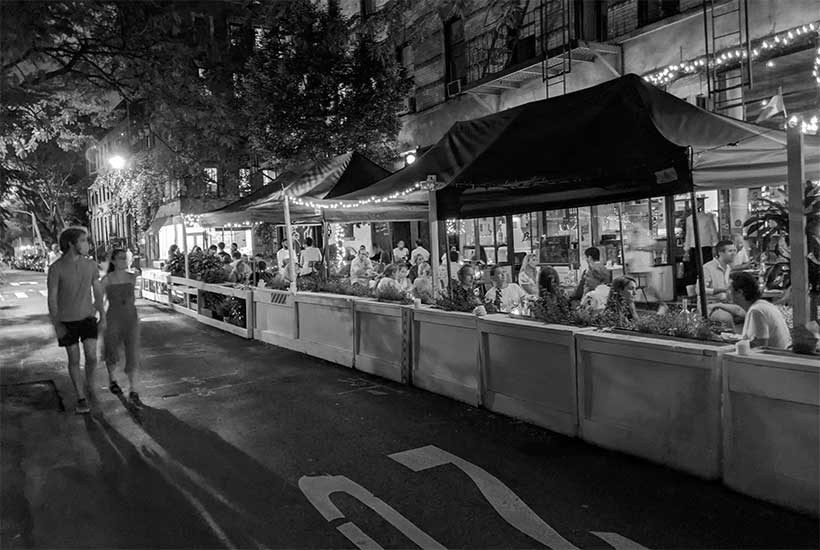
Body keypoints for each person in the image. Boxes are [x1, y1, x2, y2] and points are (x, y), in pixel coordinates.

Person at [47, 227, 105, 414]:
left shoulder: (90, 265)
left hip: (87, 317)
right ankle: (80, 397)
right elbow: (52, 298)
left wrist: (102, 314)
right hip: (66, 321)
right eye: (83, 240)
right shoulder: (56, 268)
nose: (87, 244)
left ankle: (90, 385)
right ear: (71, 244)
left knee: (91, 356)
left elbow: (97, 289)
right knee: (74, 358)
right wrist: (56, 324)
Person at [101, 249, 141, 401]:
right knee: (111, 349)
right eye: (120, 258)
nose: (124, 261)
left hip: (131, 317)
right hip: (113, 318)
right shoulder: (107, 280)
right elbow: (101, 301)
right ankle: (112, 379)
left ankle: (133, 388)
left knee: (132, 351)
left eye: (126, 258)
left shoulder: (132, 278)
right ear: (113, 261)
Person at [730, 271, 791, 349]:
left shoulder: (756, 311)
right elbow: (738, 311)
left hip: (773, 358)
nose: (726, 292)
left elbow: (759, 346)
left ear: (739, 292)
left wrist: (733, 346)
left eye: (729, 289)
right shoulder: (761, 305)